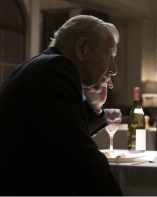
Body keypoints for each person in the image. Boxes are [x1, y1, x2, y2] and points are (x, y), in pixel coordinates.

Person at [0, 15, 123, 195]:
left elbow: (60, 135)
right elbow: (81, 159)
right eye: (110, 55)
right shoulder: (56, 67)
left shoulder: (39, 65)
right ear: (82, 48)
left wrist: (94, 107)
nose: (114, 69)